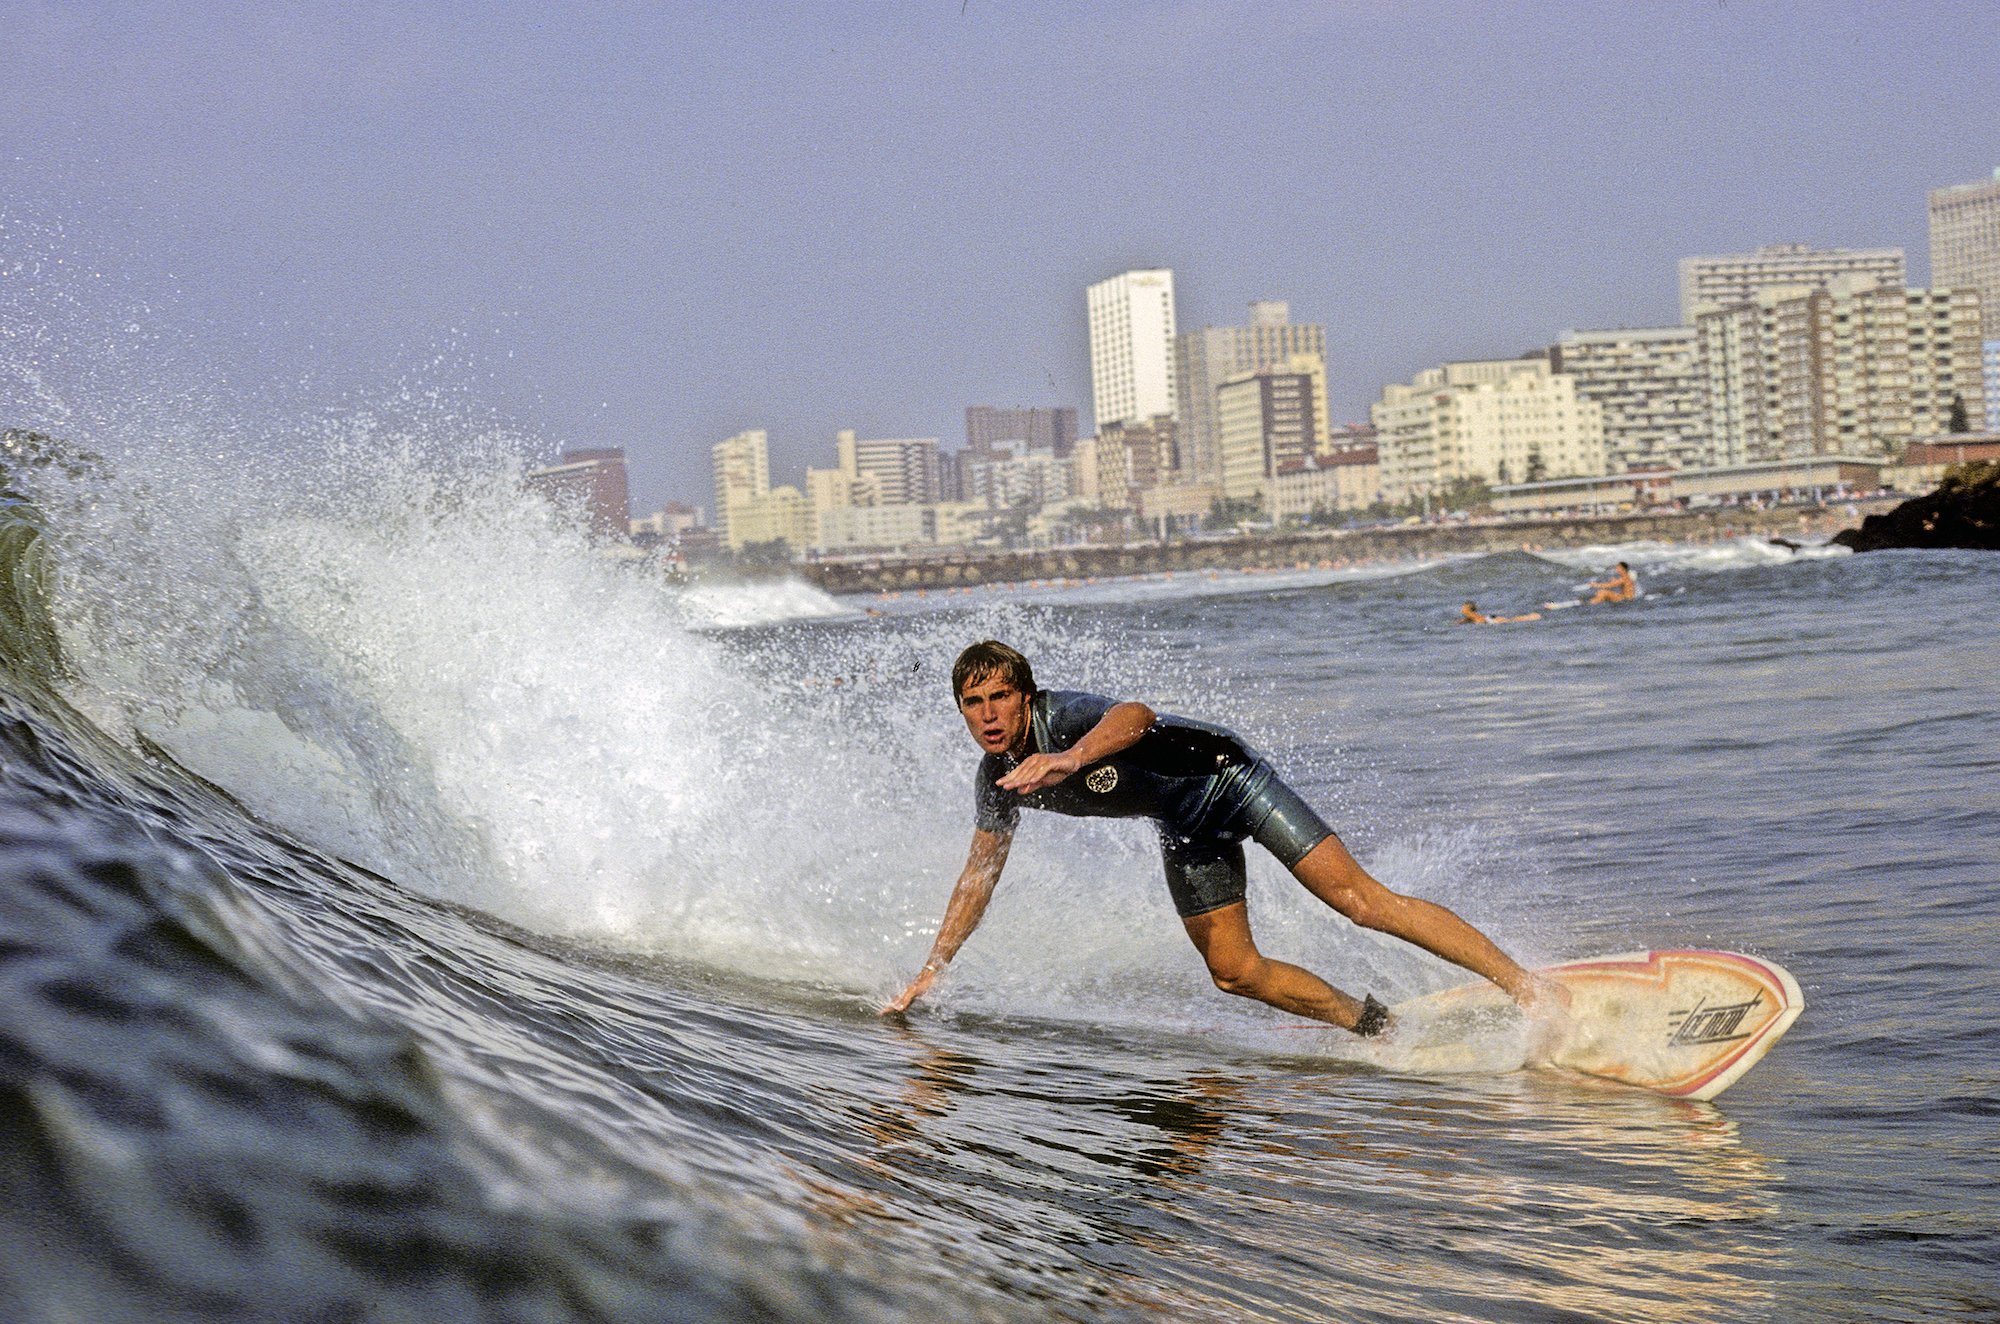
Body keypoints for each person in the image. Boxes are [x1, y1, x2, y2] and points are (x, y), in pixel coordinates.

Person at [883, 641, 1568, 1036]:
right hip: (1185, 826)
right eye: (972, 705)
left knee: (1359, 901)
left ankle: (1528, 989)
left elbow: (1137, 715)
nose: (987, 715)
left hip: (1228, 777)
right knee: (1232, 971)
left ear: (1026, 697)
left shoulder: (1062, 720)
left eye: (998, 697)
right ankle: (1375, 1026)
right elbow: (978, 878)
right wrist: (933, 968)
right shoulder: (996, 779)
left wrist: (1069, 758)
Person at [1460, 601, 1541, 624]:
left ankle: (1531, 617)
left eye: (1463, 608)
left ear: (1467, 609)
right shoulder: (1470, 615)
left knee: (1511, 620)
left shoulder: (1471, 614)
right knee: (1511, 620)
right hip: (1490, 618)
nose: (1462, 609)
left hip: (1490, 620)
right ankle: (1530, 616)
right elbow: (1470, 619)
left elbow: (1479, 619)